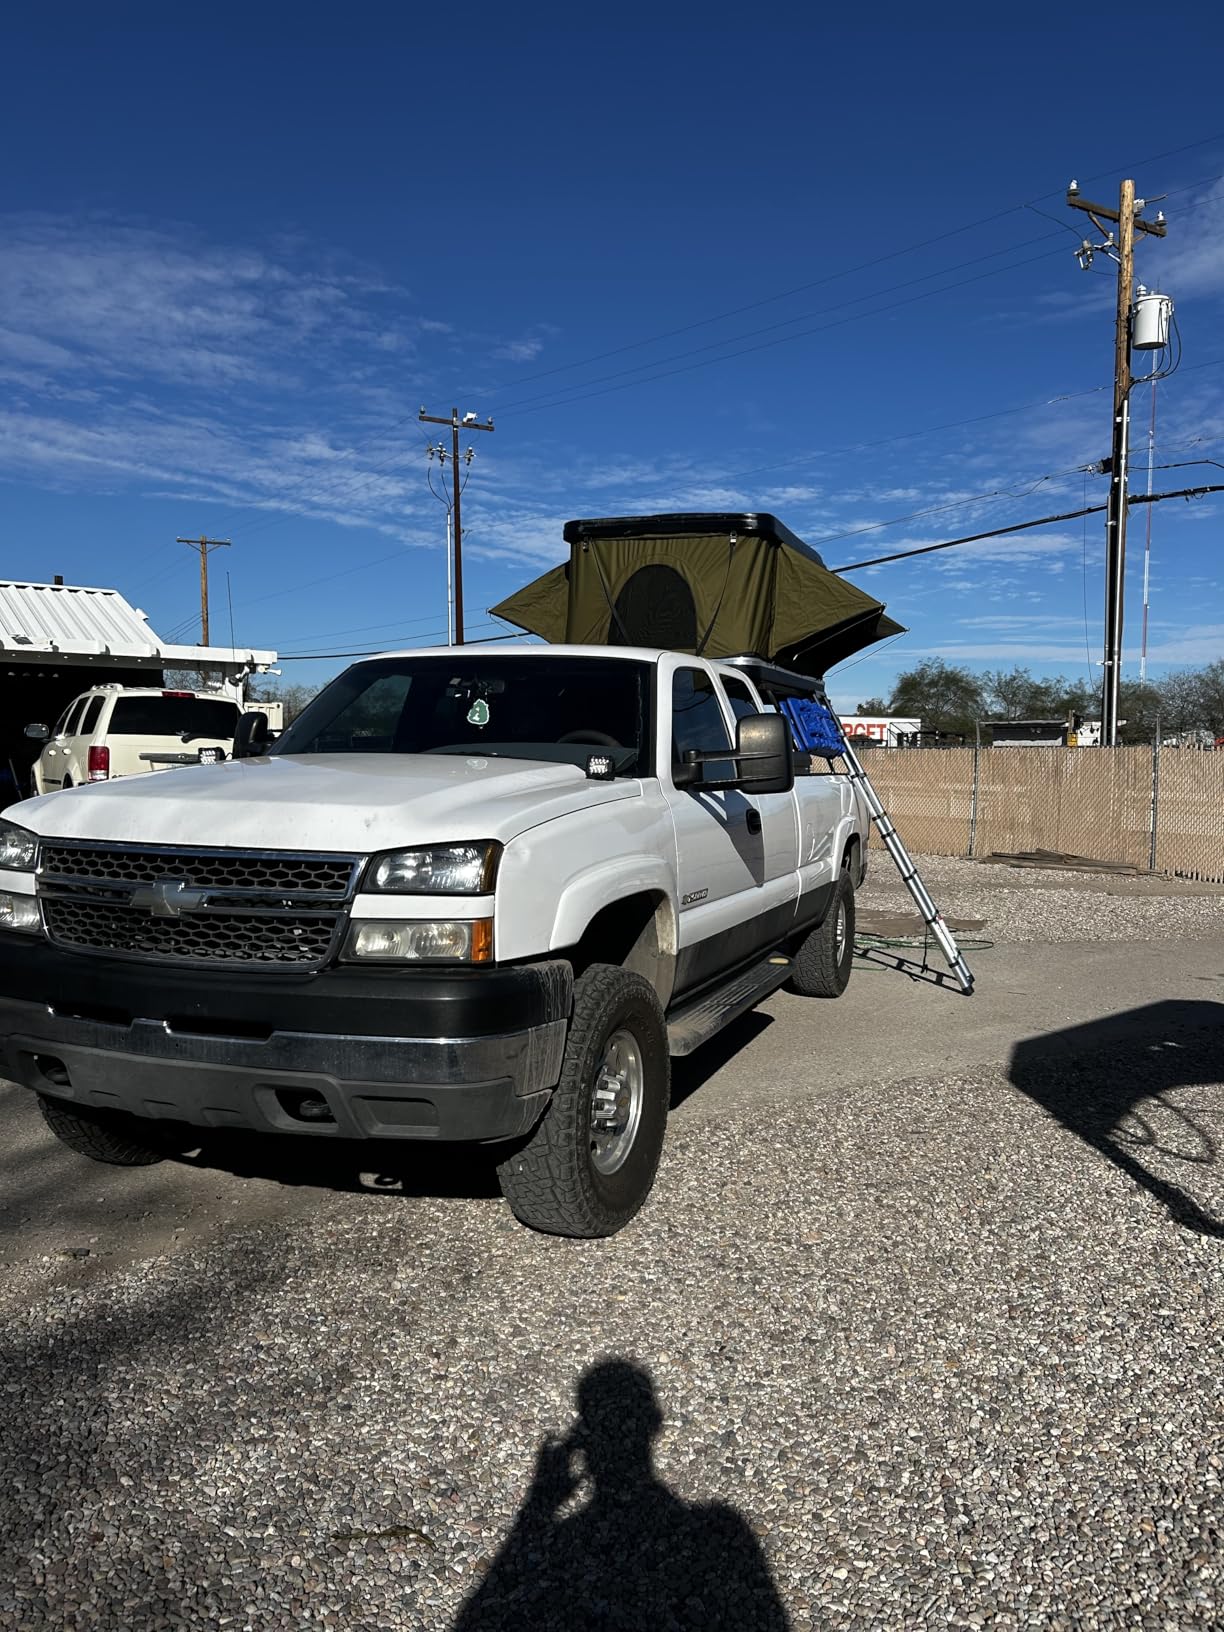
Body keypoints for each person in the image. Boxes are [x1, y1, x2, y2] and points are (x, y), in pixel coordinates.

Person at [454, 1359, 790, 1631]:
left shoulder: (562, 1541)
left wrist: (538, 1506)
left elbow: (481, 1615)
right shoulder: (722, 1529)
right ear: (655, 1424)